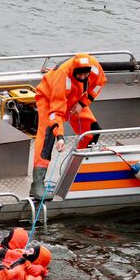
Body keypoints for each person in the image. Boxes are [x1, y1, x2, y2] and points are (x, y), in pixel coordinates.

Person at [30, 53, 107, 198]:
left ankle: (74, 174)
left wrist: (82, 103)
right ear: (74, 72)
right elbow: (55, 112)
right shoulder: (62, 76)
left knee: (92, 132)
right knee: (47, 138)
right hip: (50, 99)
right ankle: (37, 184)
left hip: (76, 100)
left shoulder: (94, 67)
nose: (84, 77)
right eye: (81, 76)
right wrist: (59, 136)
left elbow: (99, 84)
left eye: (86, 75)